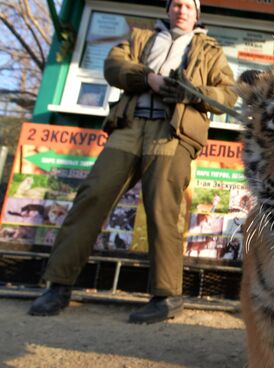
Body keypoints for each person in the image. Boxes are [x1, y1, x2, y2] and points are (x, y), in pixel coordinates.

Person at [28, 0, 237, 324]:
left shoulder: (210, 50)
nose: (182, 10)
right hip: (128, 127)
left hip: (173, 133)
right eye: (176, 4)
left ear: (197, 14)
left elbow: (228, 94)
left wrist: (192, 92)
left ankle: (166, 296)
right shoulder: (141, 38)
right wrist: (147, 79)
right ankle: (57, 286)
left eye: (188, 6)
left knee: (163, 210)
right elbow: (113, 66)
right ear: (168, 9)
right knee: (92, 196)